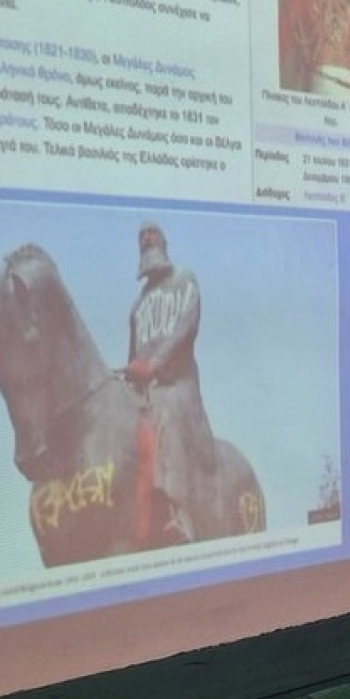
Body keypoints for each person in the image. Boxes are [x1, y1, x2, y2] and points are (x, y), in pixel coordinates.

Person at [124, 221, 214, 542]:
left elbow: (186, 327)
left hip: (178, 387)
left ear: (164, 242)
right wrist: (131, 376)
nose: (147, 237)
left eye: (153, 233)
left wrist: (154, 365)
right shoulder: (136, 307)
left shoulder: (184, 279)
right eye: (142, 236)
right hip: (146, 394)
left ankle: (180, 514)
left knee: (163, 410)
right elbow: (133, 357)